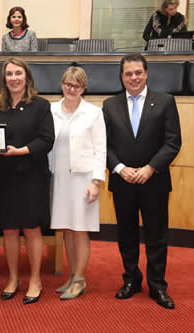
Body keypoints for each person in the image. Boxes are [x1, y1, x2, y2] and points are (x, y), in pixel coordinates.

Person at [103, 53, 182, 309]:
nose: (133, 77)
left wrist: (150, 168)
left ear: (146, 73)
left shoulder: (165, 101)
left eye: (138, 72)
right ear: (122, 76)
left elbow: (173, 142)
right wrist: (120, 168)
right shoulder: (109, 105)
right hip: (122, 181)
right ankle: (131, 280)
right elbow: (103, 145)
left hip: (155, 181)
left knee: (156, 236)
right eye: (128, 74)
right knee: (126, 234)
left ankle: (158, 285)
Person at [0, 57, 54, 305]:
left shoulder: (41, 106)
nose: (13, 78)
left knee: (32, 228)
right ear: (4, 79)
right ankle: (13, 278)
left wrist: (21, 150)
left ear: (27, 77)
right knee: (9, 229)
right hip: (5, 175)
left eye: (18, 73)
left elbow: (46, 140)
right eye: (9, 74)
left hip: (32, 175)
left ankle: (35, 279)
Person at [49, 66, 106, 300]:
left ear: (84, 88)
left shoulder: (94, 113)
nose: (72, 89)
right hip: (59, 177)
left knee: (80, 230)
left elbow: (101, 149)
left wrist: (96, 182)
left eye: (77, 85)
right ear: (62, 83)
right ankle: (72, 276)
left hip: (83, 178)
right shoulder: (51, 109)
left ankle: (80, 279)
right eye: (68, 84)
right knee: (67, 230)